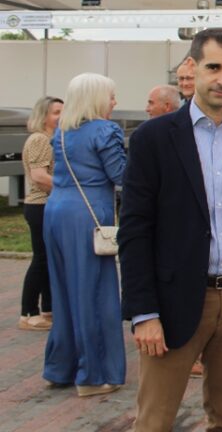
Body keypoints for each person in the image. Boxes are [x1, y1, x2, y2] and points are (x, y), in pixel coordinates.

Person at [119, 27, 222, 431]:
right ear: (192, 67)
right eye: (213, 67)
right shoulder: (153, 138)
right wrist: (143, 312)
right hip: (174, 301)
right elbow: (135, 229)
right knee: (154, 419)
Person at [42, 74, 126, 396]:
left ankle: (60, 367)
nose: (114, 101)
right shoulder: (105, 130)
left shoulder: (63, 131)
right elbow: (121, 174)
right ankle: (95, 375)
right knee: (95, 292)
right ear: (96, 97)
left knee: (63, 291)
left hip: (56, 211)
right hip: (88, 215)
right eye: (111, 95)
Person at [18, 96, 63, 331]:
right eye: (56, 112)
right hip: (40, 206)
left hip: (49, 205)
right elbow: (39, 176)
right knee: (41, 259)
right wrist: (68, 187)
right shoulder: (40, 139)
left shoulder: (53, 138)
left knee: (49, 259)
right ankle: (28, 312)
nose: (61, 117)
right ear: (43, 116)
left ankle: (48, 308)